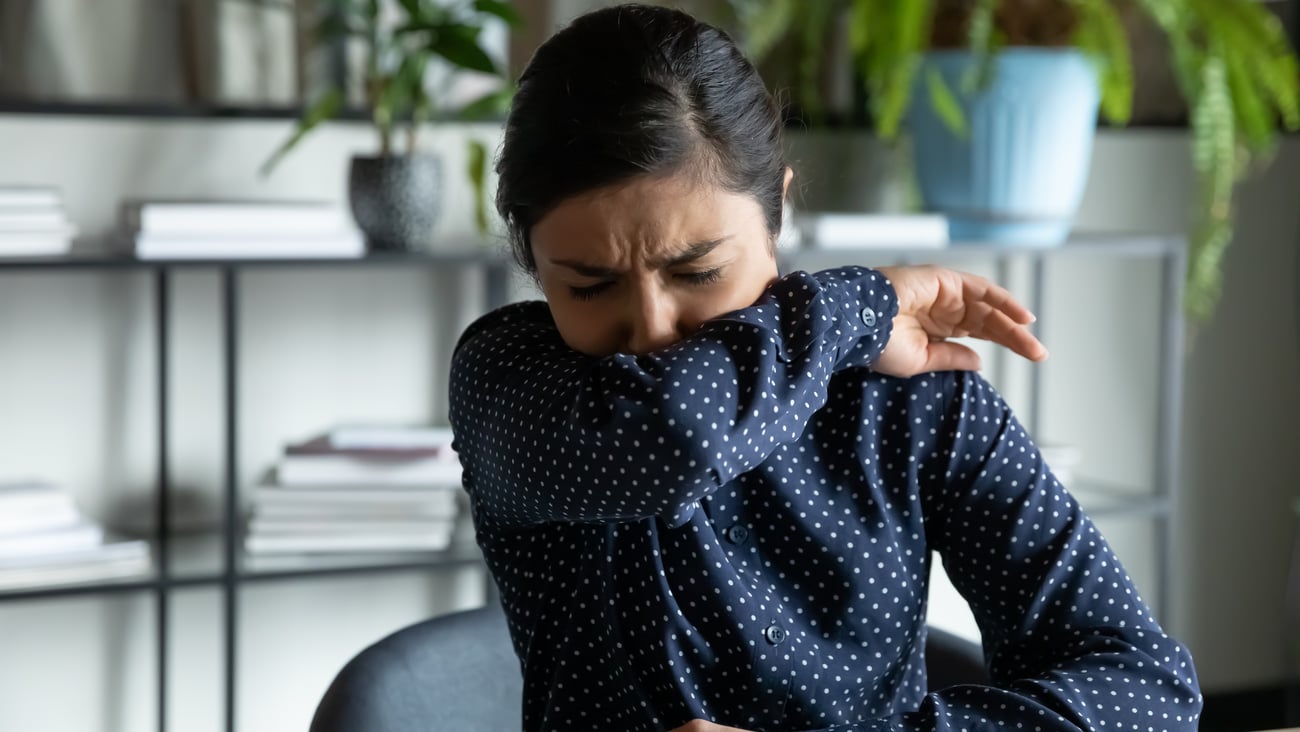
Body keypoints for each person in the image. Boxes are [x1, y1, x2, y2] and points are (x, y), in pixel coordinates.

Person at [448, 5, 1201, 730]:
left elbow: (1145, 687)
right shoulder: (509, 379)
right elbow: (675, 439)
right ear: (532, 261)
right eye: (590, 285)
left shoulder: (911, 399)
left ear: (776, 211)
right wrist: (861, 301)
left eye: (698, 271)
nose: (652, 329)